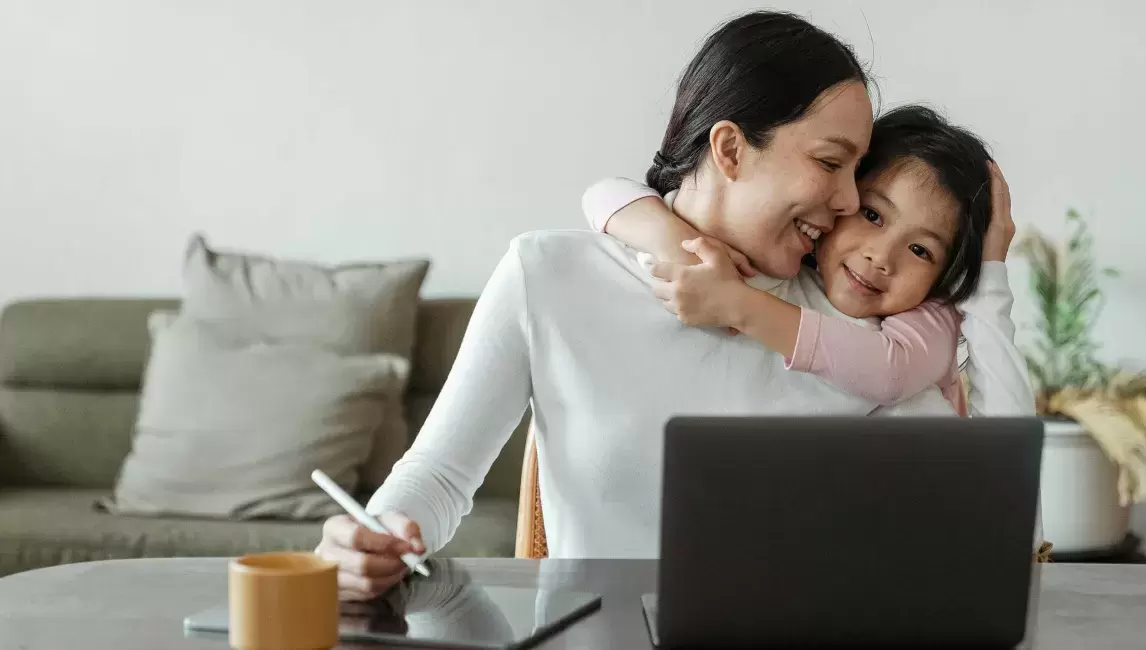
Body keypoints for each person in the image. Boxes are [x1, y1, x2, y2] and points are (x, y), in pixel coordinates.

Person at [315, 10, 1032, 601]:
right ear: (729, 149)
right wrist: (373, 534)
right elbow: (440, 476)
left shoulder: (861, 324)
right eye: (829, 163)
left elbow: (987, 511)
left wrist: (991, 274)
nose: (848, 202)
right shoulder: (548, 276)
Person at [580, 105, 1009, 414]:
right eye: (872, 215)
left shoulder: (933, 316)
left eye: (921, 250)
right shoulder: (791, 262)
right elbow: (603, 193)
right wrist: (676, 242)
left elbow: (890, 371)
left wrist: (738, 305)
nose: (881, 257)